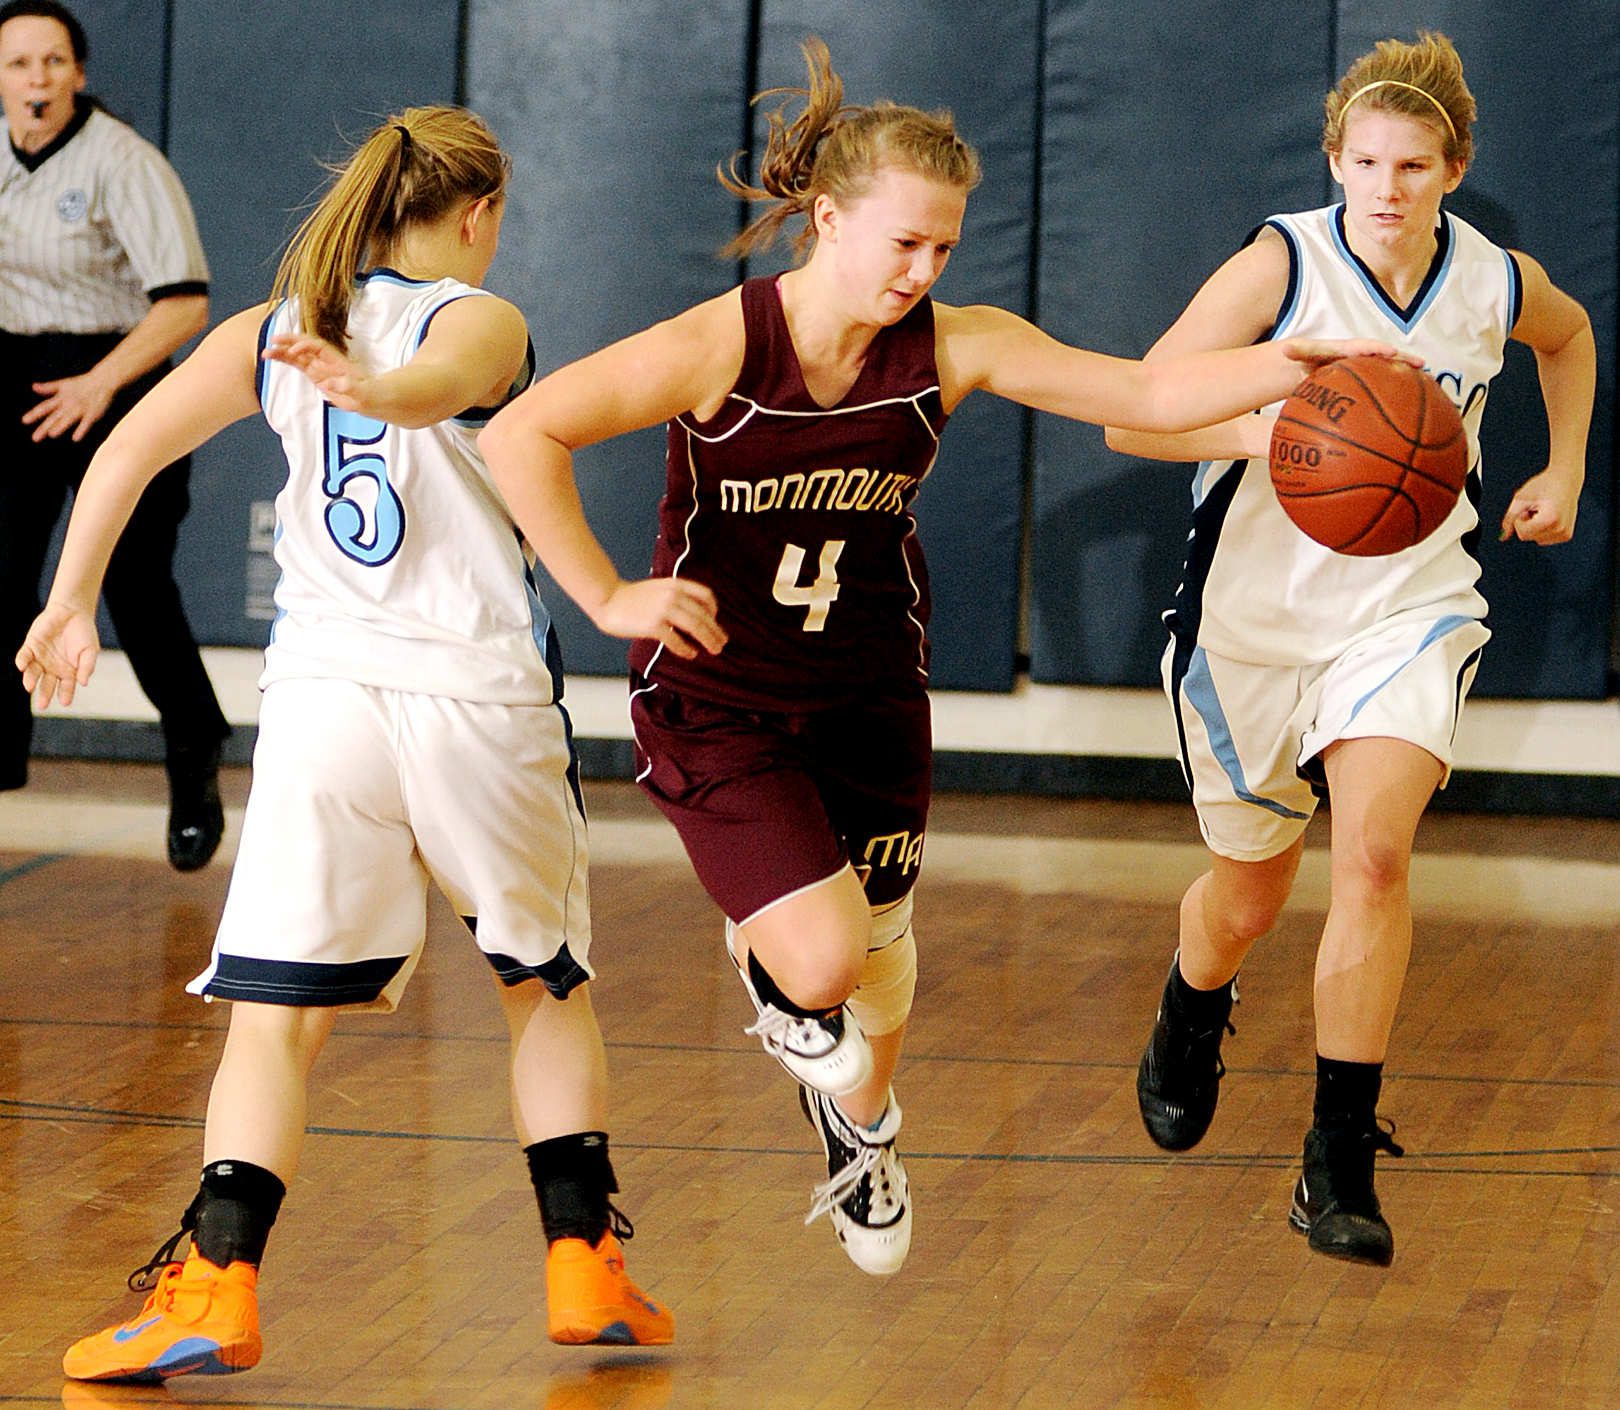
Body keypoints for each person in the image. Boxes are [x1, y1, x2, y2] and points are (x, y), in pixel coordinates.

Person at [478, 38, 1406, 1277]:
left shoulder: (953, 346)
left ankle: (861, 1137)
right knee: (822, 959)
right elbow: (522, 433)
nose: (924, 270)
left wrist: (1296, 371)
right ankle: (779, 974)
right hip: (720, 699)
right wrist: (604, 591)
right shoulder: (720, 346)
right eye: (905, 242)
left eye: (945, 249)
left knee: (878, 978)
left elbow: (1137, 394)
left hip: (868, 696)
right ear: (827, 219)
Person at [21, 105, 689, 1384]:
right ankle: (582, 1263)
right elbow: (450, 377)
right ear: (480, 213)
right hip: (476, 700)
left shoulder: (275, 327)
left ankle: (216, 1284)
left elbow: (129, 444)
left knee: (271, 1023)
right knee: (543, 988)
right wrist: (388, 393)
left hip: (324, 706)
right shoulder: (482, 318)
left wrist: (67, 598)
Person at [1107, 32, 1594, 1266]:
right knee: (1249, 896)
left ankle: (1336, 1160)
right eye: (1366, 162)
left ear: (1455, 169)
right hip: (1251, 627)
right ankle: (1192, 1000)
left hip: (1407, 607)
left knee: (1375, 854)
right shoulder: (1281, 264)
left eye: (1414, 166)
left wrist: (1566, 467)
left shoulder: (1492, 280)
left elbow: (1572, 335)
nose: (1387, 187)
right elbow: (1134, 421)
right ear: (1334, 159)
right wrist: (1285, 431)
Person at [0, 0, 229, 868]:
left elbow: (186, 303)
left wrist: (100, 382)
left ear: (79, 73)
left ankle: (193, 749)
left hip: (117, 377)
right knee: (3, 574)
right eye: (19, 63)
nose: (37, 79)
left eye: (53, 61)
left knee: (134, 587)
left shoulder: (123, 162)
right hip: (21, 379)